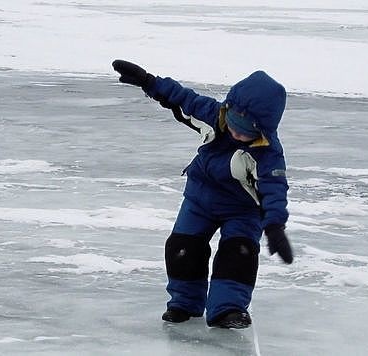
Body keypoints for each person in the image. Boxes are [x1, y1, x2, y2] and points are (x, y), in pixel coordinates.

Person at [112, 60, 293, 329]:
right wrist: (148, 81)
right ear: (227, 109)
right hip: (200, 198)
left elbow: (275, 190)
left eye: (245, 131)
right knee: (182, 248)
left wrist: (275, 226)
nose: (235, 132)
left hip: (242, 210)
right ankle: (184, 303)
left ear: (262, 130)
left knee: (238, 253)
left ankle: (228, 309)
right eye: (232, 123)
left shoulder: (268, 154)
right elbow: (183, 98)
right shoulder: (215, 114)